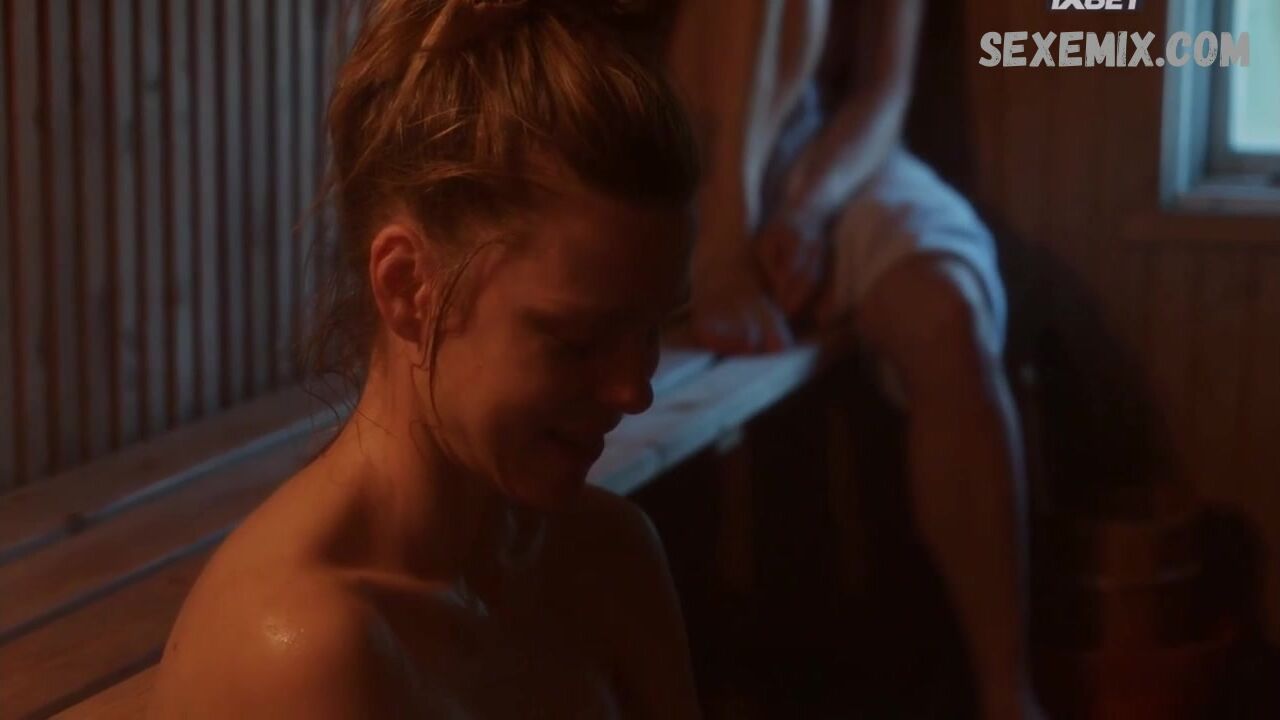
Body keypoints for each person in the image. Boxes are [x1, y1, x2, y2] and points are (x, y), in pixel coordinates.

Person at [149, 1, 703, 717]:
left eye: (652, 330)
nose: (634, 391)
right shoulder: (305, 651)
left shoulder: (610, 555)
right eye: (577, 341)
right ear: (409, 287)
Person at [665, 1, 1040, 718]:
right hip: (674, 137)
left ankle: (1007, 698)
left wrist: (805, 210)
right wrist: (725, 248)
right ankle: (720, 240)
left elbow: (881, 90)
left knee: (947, 312)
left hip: (815, 143)